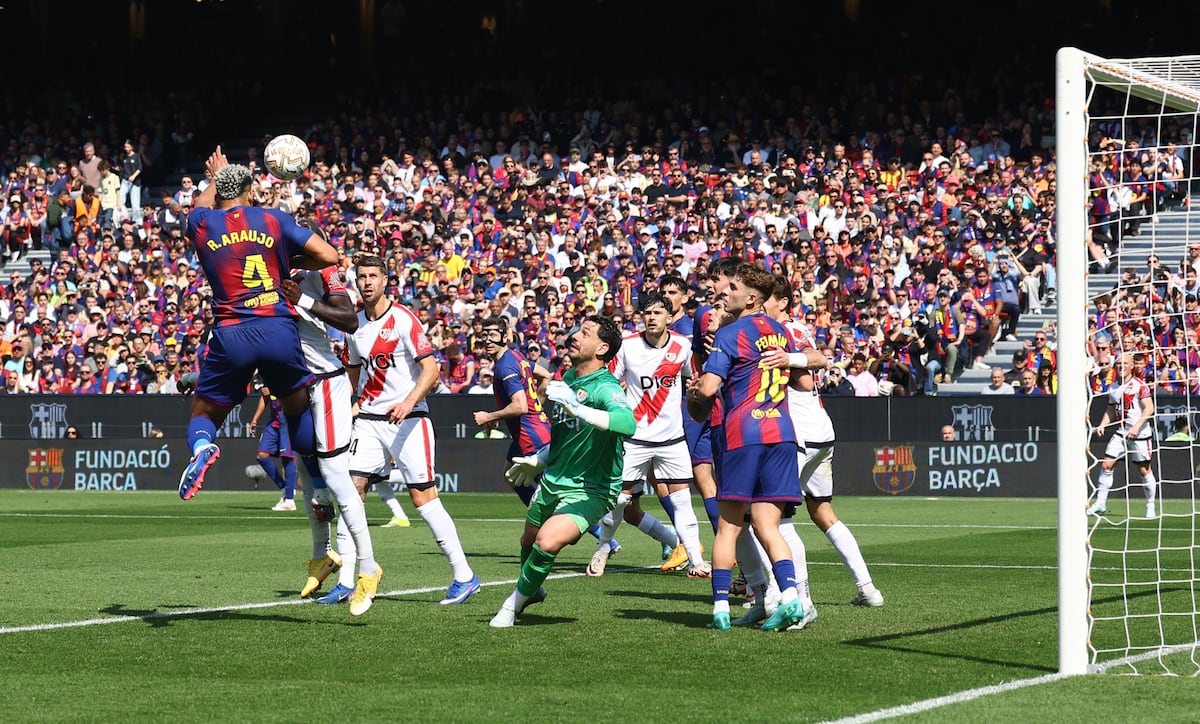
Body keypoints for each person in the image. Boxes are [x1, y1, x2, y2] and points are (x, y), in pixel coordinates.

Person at [177, 148, 339, 503]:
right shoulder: (272, 219)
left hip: (231, 332)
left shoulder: (202, 223)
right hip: (276, 327)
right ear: (250, 192)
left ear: (218, 190)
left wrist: (215, 177)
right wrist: (285, 259)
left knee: (204, 414)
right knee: (296, 407)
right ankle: (319, 487)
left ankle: (202, 448)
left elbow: (199, 205)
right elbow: (330, 255)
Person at [344, 254, 479, 605]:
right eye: (362, 276)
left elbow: (432, 370)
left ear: (385, 280)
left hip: (409, 418)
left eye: (373, 276)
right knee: (351, 490)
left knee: (423, 497)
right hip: (369, 419)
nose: (367, 282)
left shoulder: (403, 319)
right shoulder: (354, 325)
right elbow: (353, 373)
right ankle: (350, 578)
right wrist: (348, 406)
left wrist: (408, 402)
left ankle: (464, 575)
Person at [490, 315, 635, 628]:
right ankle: (532, 590)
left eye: (585, 333)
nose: (575, 336)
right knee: (528, 542)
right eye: (578, 330)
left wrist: (578, 408)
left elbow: (627, 424)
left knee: (546, 542)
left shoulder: (606, 387)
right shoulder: (568, 377)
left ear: (602, 349)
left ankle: (511, 606)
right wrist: (540, 460)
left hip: (592, 489)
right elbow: (565, 435)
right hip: (554, 479)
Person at [687, 263, 807, 632]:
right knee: (770, 527)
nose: (725, 292)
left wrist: (695, 389)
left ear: (751, 298)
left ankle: (720, 609)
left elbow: (709, 389)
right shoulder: (779, 331)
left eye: (733, 288)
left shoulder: (730, 333)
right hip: (781, 431)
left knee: (729, 526)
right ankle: (791, 598)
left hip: (743, 432)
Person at [759, 276, 883, 619]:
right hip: (820, 430)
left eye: (766, 298)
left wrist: (785, 359)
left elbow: (814, 363)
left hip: (800, 433)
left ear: (782, 302)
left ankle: (789, 596)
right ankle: (868, 589)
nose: (760, 303)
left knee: (771, 516)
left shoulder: (786, 329)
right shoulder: (790, 329)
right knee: (822, 512)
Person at [277, 247, 381, 614]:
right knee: (307, 477)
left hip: (326, 384)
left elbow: (349, 320)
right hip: (294, 386)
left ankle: (367, 567)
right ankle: (322, 555)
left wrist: (302, 298)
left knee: (338, 478)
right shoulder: (265, 275)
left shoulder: (322, 273)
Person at [586, 293, 709, 579]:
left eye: (657, 313)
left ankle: (696, 559)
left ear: (669, 317)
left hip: (672, 439)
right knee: (620, 500)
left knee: (682, 500)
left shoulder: (682, 346)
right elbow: (609, 380)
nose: (652, 318)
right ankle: (603, 548)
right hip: (634, 437)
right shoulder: (628, 346)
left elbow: (691, 379)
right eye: (647, 313)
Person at [472, 316, 552, 508]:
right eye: (485, 336)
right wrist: (537, 405)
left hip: (532, 437)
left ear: (505, 336)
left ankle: (545, 516)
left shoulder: (505, 366)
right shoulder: (516, 357)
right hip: (531, 431)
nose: (488, 340)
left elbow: (520, 407)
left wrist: (489, 416)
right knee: (510, 476)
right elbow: (545, 375)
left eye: (492, 335)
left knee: (555, 493)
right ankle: (539, 514)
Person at [1088, 353, 1158, 519]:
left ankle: (1150, 506)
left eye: (1125, 363)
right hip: (1121, 433)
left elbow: (1150, 408)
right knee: (1106, 465)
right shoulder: (1113, 387)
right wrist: (1103, 424)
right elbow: (1111, 410)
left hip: (1140, 434)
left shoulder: (1139, 386)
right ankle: (1100, 503)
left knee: (1144, 470)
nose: (1121, 366)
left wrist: (1136, 427)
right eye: (1119, 363)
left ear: (1132, 366)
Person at [248, 383, 298, 512]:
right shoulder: (269, 376)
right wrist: (255, 419)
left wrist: (274, 390)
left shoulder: (288, 375)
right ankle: (285, 488)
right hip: (273, 423)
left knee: (287, 458)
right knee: (262, 455)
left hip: (287, 420)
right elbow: (265, 396)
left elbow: (294, 393)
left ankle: (289, 501)